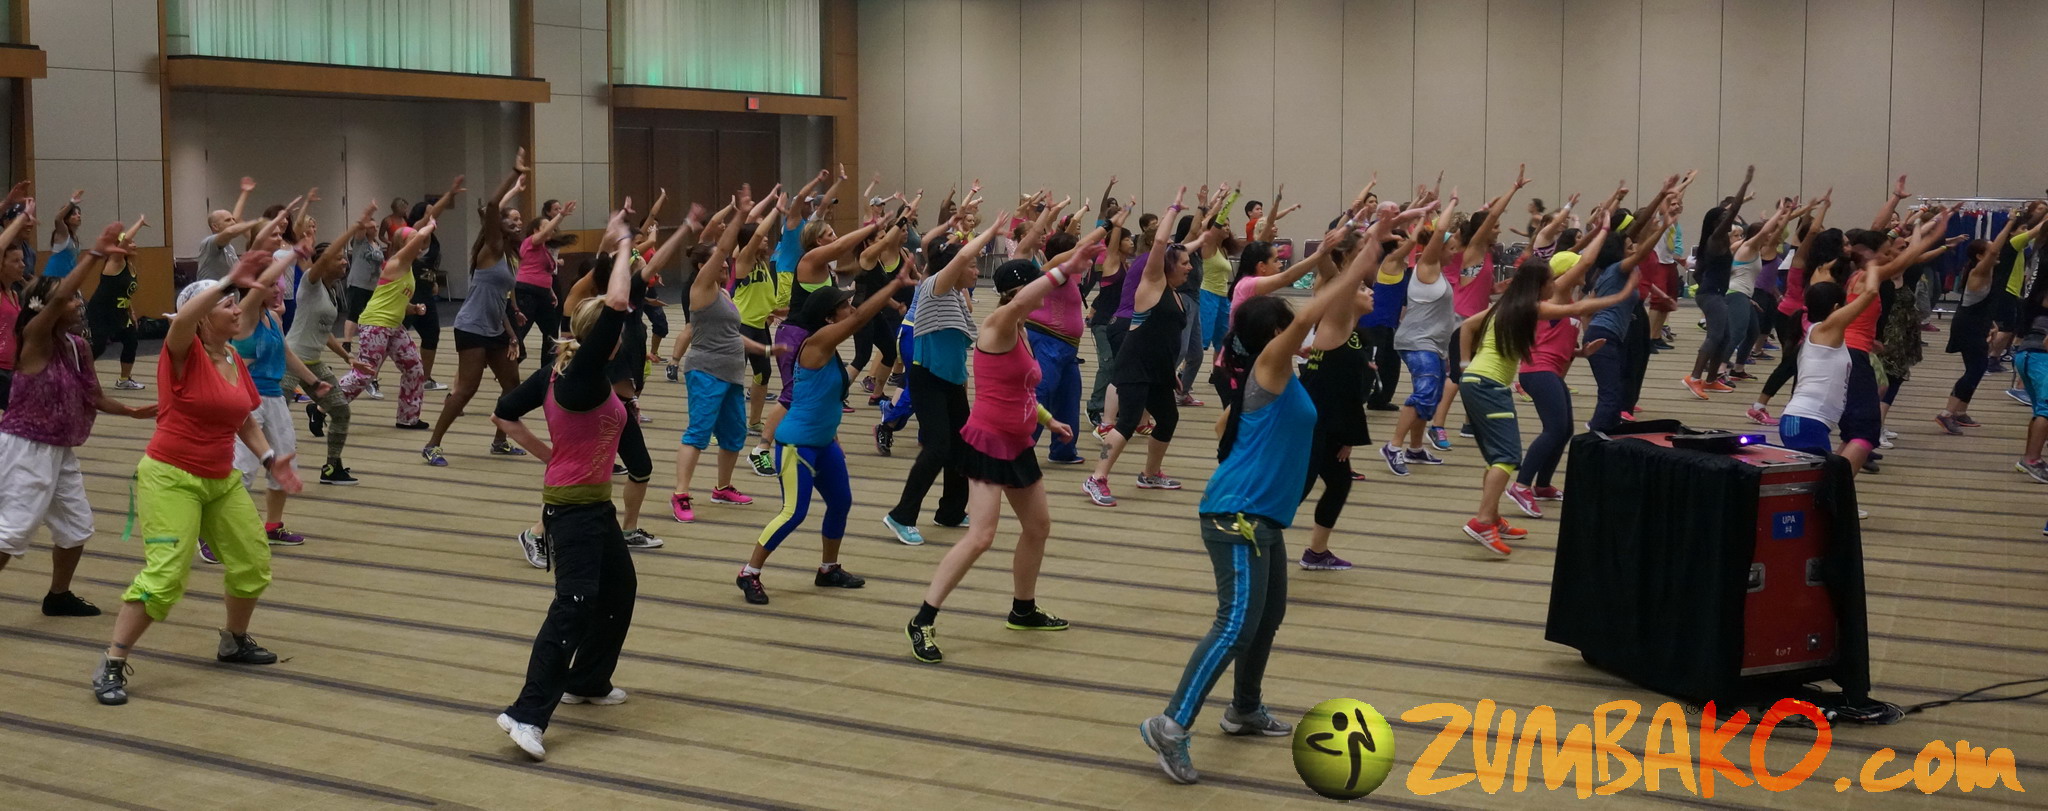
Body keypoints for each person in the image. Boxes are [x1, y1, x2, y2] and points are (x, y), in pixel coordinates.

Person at [1137, 204, 1412, 786]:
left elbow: (1326, 311)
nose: (1304, 330)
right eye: (1291, 327)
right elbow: (1314, 308)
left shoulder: (1280, 374)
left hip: (1261, 518)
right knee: (1235, 623)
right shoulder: (1271, 363)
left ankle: (1243, 708)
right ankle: (1170, 724)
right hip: (1235, 516)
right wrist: (1362, 251)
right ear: (1276, 335)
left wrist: (1371, 248)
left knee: (1267, 617)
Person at [92, 244, 306, 706]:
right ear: (204, 317)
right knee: (166, 577)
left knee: (252, 562)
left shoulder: (232, 359)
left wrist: (270, 458)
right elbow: (183, 320)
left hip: (219, 478)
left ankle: (234, 641)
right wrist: (227, 280)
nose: (237, 309)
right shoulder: (182, 352)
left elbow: (243, 418)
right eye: (227, 304)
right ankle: (112, 661)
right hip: (170, 477)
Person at [489, 207, 643, 761]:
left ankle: (588, 680)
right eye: (616, 332)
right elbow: (618, 301)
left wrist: (550, 456)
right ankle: (525, 714)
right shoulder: (580, 379)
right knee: (574, 605)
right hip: (573, 512)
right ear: (605, 341)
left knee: (619, 590)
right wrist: (622, 245)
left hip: (594, 506)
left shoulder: (562, 373)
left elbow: (504, 413)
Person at [905, 251, 1090, 663]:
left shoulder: (1022, 329)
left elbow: (1019, 389)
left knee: (1038, 527)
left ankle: (1023, 609)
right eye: (1039, 286)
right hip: (988, 443)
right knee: (981, 536)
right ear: (1020, 291)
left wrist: (1048, 420)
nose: (1048, 294)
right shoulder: (1000, 324)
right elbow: (1023, 301)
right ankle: (922, 619)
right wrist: (1066, 268)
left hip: (1017, 443)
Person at [1458, 222, 1645, 555]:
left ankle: (1492, 515)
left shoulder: (1507, 305)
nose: (1553, 286)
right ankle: (1483, 521)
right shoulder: (1531, 307)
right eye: (1549, 282)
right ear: (1540, 285)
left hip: (1476, 381)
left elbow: (1467, 327)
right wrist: (1618, 295)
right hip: (1488, 385)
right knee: (1508, 456)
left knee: (1497, 457)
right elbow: (1577, 307)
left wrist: (1464, 365)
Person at [737, 246, 907, 605]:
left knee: (841, 502)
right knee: (793, 513)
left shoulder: (829, 350)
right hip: (796, 445)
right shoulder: (815, 344)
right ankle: (749, 573)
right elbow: (859, 320)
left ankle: (828, 569)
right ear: (830, 318)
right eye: (844, 306)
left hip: (825, 442)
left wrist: (834, 437)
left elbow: (823, 400)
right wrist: (894, 287)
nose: (851, 307)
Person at [2, 219, 153, 618]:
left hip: (60, 449)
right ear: (48, 308)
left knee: (76, 527)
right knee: (11, 533)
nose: (78, 304)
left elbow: (94, 396)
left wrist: (133, 411)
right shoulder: (35, 340)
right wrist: (96, 254)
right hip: (26, 448)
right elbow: (57, 300)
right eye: (71, 301)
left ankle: (58, 596)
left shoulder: (76, 346)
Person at [883, 194, 997, 543]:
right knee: (936, 447)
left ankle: (950, 511)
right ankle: (901, 516)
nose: (976, 271)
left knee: (962, 444)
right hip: (928, 378)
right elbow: (956, 255)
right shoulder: (935, 287)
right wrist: (991, 230)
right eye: (973, 266)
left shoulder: (956, 295)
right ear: (955, 268)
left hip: (951, 380)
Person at [671, 196, 781, 523]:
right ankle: (680, 494)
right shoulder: (702, 289)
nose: (725, 266)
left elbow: (733, 334)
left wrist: (764, 350)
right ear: (703, 267)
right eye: (719, 263)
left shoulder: (724, 292)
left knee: (733, 436)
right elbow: (722, 249)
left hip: (731, 374)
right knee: (698, 434)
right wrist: (741, 215)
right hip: (705, 372)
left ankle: (722, 488)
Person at [1086, 190, 1195, 507]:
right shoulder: (1153, 285)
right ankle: (1096, 478)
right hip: (1135, 365)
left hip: (1157, 370)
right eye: (1185, 263)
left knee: (1168, 419)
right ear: (1168, 266)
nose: (1190, 267)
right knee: (1128, 422)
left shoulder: (1174, 293)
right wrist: (1173, 209)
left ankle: (1150, 474)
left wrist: (1171, 373)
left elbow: (1166, 338)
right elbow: (1160, 243)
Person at [226, 228, 330, 550]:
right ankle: (216, 532)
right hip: (247, 401)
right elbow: (261, 282)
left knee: (283, 464)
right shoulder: (244, 317)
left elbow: (286, 353)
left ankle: (272, 526)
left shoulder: (272, 319)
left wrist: (314, 382)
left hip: (274, 399)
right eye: (272, 285)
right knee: (242, 469)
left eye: (278, 286)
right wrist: (293, 254)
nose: (278, 290)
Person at [422, 164, 534, 465]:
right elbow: (493, 205)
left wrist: (511, 333)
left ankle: (500, 441)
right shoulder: (493, 247)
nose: (517, 224)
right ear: (498, 226)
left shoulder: (508, 256)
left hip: (495, 328)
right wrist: (514, 174)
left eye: (519, 221)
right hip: (471, 326)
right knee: (466, 390)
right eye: (511, 221)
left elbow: (497, 301)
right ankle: (432, 444)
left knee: (513, 386)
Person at [337, 183, 460, 427]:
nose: (418, 241)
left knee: (414, 369)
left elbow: (397, 300)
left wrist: (414, 309)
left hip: (393, 325)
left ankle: (408, 418)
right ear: (404, 244)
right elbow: (422, 233)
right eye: (412, 239)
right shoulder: (398, 261)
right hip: (375, 324)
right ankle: (323, 405)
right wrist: (431, 224)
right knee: (365, 374)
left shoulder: (409, 268)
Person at [285, 207, 366, 486]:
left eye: (345, 258)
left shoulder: (330, 292)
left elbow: (324, 333)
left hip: (313, 363)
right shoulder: (311, 283)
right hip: (290, 361)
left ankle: (332, 468)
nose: (345, 262)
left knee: (340, 410)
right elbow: (325, 255)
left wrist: (347, 357)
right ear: (323, 262)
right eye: (340, 258)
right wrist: (354, 228)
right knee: (271, 419)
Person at [1936, 215, 2020, 435]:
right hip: (1967, 327)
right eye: (1991, 250)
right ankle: (1946, 414)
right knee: (1975, 368)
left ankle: (1960, 412)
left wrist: (1991, 324)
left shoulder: (1986, 271)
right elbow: (1994, 251)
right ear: (1980, 256)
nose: (1997, 252)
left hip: (1976, 323)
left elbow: (1982, 304)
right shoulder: (1979, 271)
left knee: (1977, 367)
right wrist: (2010, 223)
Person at [1685, 166, 1755, 398]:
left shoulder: (1720, 241)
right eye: (1724, 219)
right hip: (1711, 294)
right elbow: (1733, 209)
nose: (1729, 221)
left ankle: (1711, 379)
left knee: (1724, 337)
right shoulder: (1716, 238)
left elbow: (1699, 273)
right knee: (1715, 336)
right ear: (1716, 223)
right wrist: (1745, 183)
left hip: (1714, 292)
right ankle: (1694, 378)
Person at [86, 206, 146, 389]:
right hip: (101, 310)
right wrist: (140, 223)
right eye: (130, 243)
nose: (134, 245)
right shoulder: (115, 261)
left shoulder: (130, 266)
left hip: (119, 311)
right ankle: (76, 373)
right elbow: (125, 240)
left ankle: (124, 380)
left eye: (134, 242)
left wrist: (131, 311)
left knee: (131, 339)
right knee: (99, 346)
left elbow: (124, 293)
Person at [514, 199, 575, 368]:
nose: (550, 229)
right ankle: (509, 362)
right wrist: (561, 215)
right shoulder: (530, 242)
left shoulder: (544, 249)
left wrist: (550, 292)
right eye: (546, 227)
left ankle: (547, 368)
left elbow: (545, 273)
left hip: (542, 293)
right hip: (526, 291)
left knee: (550, 331)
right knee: (521, 329)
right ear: (535, 231)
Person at [2010, 281, 2048, 482]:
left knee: (2040, 410)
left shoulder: (2037, 298)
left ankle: (2030, 458)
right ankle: (2032, 460)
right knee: (2046, 411)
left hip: (2026, 355)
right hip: (2041, 359)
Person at [196, 176, 258, 281]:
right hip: (210, 290)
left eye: (233, 219)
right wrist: (258, 221)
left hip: (227, 290)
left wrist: (245, 192)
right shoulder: (209, 243)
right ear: (215, 226)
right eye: (228, 220)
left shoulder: (230, 248)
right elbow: (230, 232)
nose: (233, 222)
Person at [39, 190, 82, 278]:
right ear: (66, 218)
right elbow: (58, 219)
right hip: (52, 278)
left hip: (66, 279)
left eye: (79, 214)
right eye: (74, 214)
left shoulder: (75, 237)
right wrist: (71, 203)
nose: (78, 216)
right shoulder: (63, 233)